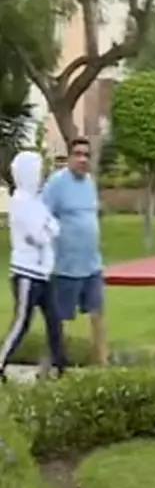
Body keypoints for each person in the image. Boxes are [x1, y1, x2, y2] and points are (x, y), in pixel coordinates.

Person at [0, 151, 69, 383]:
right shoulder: (20, 202)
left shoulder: (36, 201)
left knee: (55, 320)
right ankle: (1, 363)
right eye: (38, 171)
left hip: (44, 272)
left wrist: (48, 227)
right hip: (25, 274)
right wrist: (47, 228)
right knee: (21, 323)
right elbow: (40, 234)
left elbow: (54, 227)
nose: (41, 175)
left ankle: (61, 367)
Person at [42, 138, 108, 365]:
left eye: (86, 155)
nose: (82, 159)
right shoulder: (56, 183)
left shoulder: (89, 182)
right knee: (60, 320)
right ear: (69, 157)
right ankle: (51, 366)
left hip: (91, 263)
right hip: (65, 267)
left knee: (97, 313)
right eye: (78, 154)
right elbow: (43, 218)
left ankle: (103, 364)